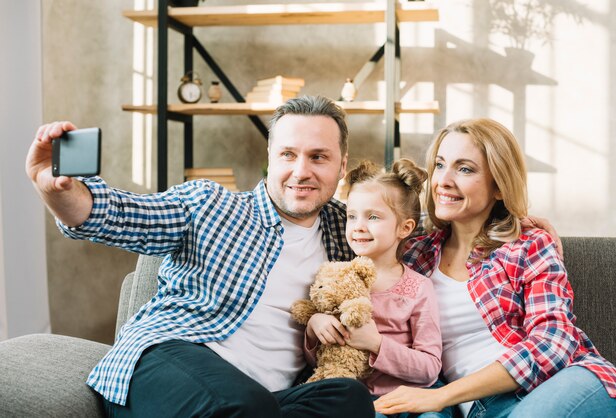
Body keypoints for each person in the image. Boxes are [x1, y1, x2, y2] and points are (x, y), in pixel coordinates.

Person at [26, 95, 376, 417]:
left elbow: (410, 239)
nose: (301, 171)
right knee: (243, 403)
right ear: (269, 156)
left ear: (342, 166)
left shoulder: (348, 230)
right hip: (170, 359)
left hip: (267, 400)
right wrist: (59, 191)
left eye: (318, 157)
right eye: (288, 154)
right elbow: (116, 215)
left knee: (349, 399)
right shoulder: (210, 205)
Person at [373, 118, 616, 417]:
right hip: (479, 410)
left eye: (465, 169)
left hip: (561, 386)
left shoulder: (528, 245)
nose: (443, 180)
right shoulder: (415, 255)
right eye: (440, 165)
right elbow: (364, 219)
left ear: (499, 187)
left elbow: (553, 342)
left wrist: (442, 397)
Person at [304, 159, 453, 418]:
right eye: (352, 216)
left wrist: (376, 344)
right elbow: (323, 364)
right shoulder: (337, 278)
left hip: (413, 399)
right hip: (360, 402)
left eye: (373, 217)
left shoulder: (418, 288)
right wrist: (313, 327)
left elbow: (430, 367)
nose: (359, 226)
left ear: (404, 228)